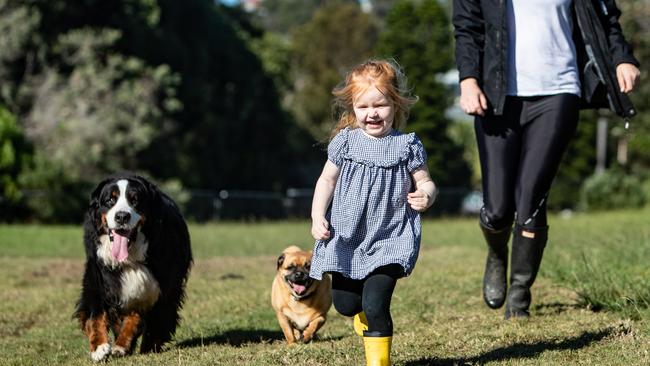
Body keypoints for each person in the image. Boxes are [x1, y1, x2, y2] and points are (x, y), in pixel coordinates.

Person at [452, 0, 640, 319]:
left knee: (531, 196)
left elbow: (606, 17)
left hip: (559, 91)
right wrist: (468, 79)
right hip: (497, 94)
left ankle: (519, 293)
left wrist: (622, 57)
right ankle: (497, 252)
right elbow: (467, 27)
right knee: (497, 209)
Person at [309, 59, 436, 366]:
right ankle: (363, 314)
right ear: (353, 108)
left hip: (390, 238)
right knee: (345, 304)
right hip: (348, 237)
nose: (372, 114)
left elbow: (426, 181)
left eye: (380, 105)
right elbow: (326, 180)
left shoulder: (407, 146)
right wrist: (317, 216)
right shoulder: (345, 143)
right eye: (363, 107)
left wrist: (426, 196)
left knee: (377, 304)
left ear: (395, 104)